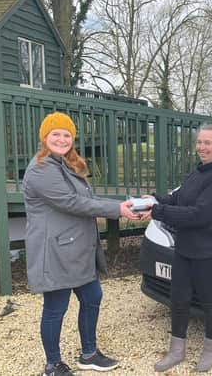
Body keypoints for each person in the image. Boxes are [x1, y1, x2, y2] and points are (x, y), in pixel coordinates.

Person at [22, 111, 138, 376]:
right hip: (55, 251)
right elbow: (72, 202)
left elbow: (82, 199)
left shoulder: (64, 164)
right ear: (44, 137)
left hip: (74, 249)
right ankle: (52, 365)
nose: (62, 139)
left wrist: (120, 206)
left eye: (67, 135)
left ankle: (89, 354)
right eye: (56, 134)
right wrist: (117, 209)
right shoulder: (41, 169)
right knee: (56, 308)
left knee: (92, 296)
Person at [139, 124, 212, 373]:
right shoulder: (198, 173)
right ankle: (176, 350)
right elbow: (178, 199)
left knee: (209, 302)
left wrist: (158, 212)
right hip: (185, 249)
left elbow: (199, 215)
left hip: (211, 252)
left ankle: (211, 350)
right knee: (179, 299)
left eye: (208, 143)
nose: (202, 147)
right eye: (199, 142)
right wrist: (153, 200)